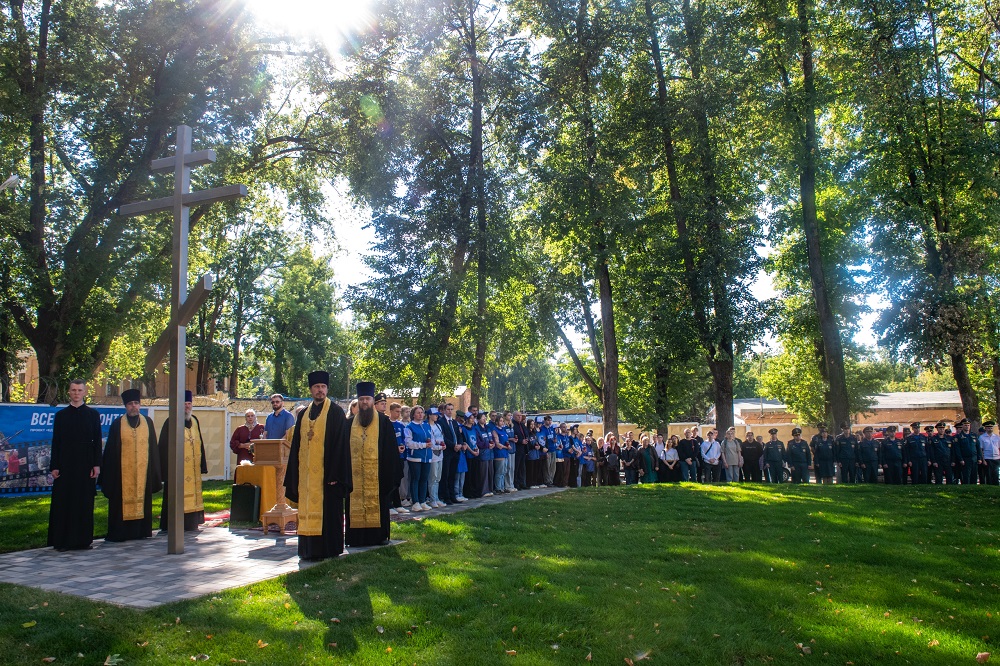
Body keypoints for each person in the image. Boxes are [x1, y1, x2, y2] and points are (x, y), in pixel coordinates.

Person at [284, 371, 351, 560]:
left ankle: (329, 550)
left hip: (327, 478)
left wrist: (335, 475)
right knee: (306, 512)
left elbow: (341, 445)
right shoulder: (303, 414)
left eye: (323, 387)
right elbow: (296, 446)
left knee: (329, 513)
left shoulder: (336, 412)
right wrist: (295, 476)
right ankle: (308, 550)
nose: (320, 390)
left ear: (327, 389)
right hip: (307, 479)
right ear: (311, 390)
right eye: (316, 387)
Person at [343, 382, 403, 548]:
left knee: (379, 505)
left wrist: (389, 477)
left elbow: (391, 453)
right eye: (361, 399)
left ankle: (380, 537)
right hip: (355, 480)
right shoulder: (349, 424)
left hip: (379, 478)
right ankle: (354, 538)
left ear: (372, 401)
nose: (364, 402)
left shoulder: (384, 423)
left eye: (367, 399)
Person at [100, 388, 162, 542]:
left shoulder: (148, 423)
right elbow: (110, 453)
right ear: (125, 406)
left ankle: (141, 531)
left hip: (143, 472)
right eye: (130, 404)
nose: (133, 406)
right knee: (120, 503)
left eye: (136, 403)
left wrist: (155, 472)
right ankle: (121, 533)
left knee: (143, 500)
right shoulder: (117, 424)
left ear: (140, 405)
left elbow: (153, 449)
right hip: (122, 474)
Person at [48, 379, 102, 552]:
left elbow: (97, 442)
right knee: (64, 501)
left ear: (84, 392)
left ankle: (83, 541)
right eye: (73, 390)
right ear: (69, 392)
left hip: (85, 464)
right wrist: (54, 465)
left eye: (79, 390)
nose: (76, 393)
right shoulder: (61, 415)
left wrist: (96, 465)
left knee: (83, 502)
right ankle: (62, 541)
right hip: (65, 464)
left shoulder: (93, 415)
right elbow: (56, 442)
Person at [158, 390, 208, 532]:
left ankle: (191, 523)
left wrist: (202, 465)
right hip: (177, 470)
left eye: (189, 403)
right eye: (184, 404)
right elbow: (163, 447)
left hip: (192, 469)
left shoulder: (195, 421)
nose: (187, 406)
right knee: (175, 496)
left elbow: (200, 444)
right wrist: (166, 470)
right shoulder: (171, 421)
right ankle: (173, 524)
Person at [404, 405, 433, 511]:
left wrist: (436, 445)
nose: (420, 414)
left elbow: (431, 440)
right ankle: (415, 502)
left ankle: (422, 501)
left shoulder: (426, 426)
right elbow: (409, 443)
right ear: (413, 414)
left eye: (422, 412)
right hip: (415, 457)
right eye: (418, 413)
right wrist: (423, 445)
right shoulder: (409, 427)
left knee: (424, 479)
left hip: (427, 457)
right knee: (416, 479)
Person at [438, 402, 464, 503]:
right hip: (447, 451)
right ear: (444, 411)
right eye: (448, 409)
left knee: (453, 474)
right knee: (446, 474)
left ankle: (453, 496)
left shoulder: (454, 422)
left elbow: (459, 435)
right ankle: (446, 496)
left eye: (451, 409)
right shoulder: (441, 422)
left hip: (456, 452)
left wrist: (460, 444)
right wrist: (453, 445)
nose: (450, 411)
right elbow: (443, 437)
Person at [426, 407, 446, 507]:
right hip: (432, 454)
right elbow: (431, 441)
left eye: (437, 414)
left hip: (440, 454)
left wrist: (442, 445)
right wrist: (438, 446)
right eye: (434, 414)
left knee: (438, 477)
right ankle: (432, 498)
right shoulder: (427, 426)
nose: (436, 416)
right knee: (432, 477)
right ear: (429, 415)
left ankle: (436, 498)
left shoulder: (438, 426)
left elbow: (441, 438)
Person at [952, 419, 980, 484]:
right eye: (965, 425)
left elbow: (978, 447)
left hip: (974, 458)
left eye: (968, 425)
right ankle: (966, 489)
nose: (967, 426)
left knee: (974, 476)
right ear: (962, 426)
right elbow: (957, 449)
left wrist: (979, 458)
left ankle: (974, 489)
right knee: (966, 477)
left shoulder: (974, 435)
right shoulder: (958, 437)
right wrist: (961, 459)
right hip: (965, 459)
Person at [511, 411, 530, 490]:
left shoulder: (522, 425)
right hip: (517, 448)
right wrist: (520, 441)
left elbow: (526, 433)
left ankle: (522, 483)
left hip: (524, 448)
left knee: (522, 467)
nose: (519, 417)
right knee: (517, 467)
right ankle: (516, 483)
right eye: (518, 416)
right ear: (514, 416)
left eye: (520, 416)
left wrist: (527, 439)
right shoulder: (513, 425)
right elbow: (513, 436)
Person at [980, 421, 1000, 485]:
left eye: (991, 427)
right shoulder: (982, 437)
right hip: (987, 458)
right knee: (989, 475)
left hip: (996, 458)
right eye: (988, 428)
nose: (990, 429)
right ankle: (989, 487)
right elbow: (981, 449)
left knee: (996, 475)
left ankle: (996, 488)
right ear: (985, 428)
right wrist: (983, 460)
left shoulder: (997, 437)